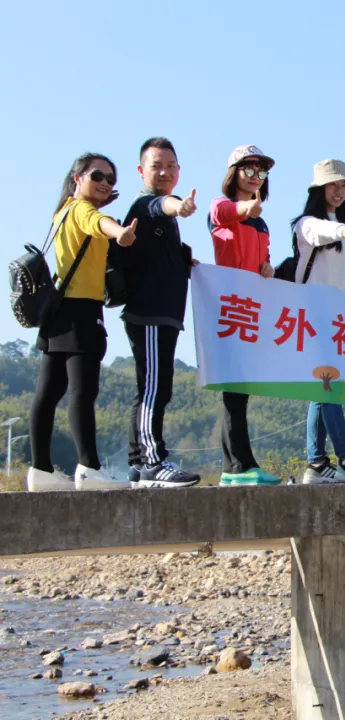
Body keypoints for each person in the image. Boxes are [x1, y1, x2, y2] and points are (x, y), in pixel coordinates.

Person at [27, 153, 138, 492]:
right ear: (77, 177)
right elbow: (98, 223)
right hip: (82, 312)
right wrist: (120, 232)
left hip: (57, 311)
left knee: (48, 393)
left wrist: (102, 205)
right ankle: (89, 468)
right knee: (82, 392)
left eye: (110, 179)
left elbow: (92, 220)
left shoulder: (63, 211)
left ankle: (40, 471)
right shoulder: (83, 210)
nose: (105, 182)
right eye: (97, 176)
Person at [290, 159, 345, 484]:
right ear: (319, 189)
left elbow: (340, 272)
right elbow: (318, 232)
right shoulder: (307, 224)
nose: (339, 191)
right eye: (333, 185)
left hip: (339, 320)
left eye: (344, 186)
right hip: (313, 316)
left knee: (324, 385)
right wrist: (342, 230)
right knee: (330, 386)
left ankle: (316, 463)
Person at [117, 138, 201, 489]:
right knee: (154, 388)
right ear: (141, 171)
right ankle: (153, 461)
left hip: (162, 314)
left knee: (153, 387)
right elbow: (162, 205)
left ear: (179, 170)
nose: (164, 172)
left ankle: (139, 464)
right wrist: (179, 206)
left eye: (170, 166)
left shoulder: (163, 218)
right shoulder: (147, 204)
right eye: (156, 166)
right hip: (150, 312)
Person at [209, 145, 282, 486]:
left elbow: (262, 259)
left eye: (261, 171)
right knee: (234, 391)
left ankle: (237, 465)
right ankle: (238, 466)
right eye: (249, 170)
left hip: (252, 310)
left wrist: (267, 268)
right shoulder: (221, 206)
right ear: (233, 173)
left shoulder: (262, 222)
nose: (256, 177)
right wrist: (245, 208)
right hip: (229, 308)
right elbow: (224, 213)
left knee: (241, 390)